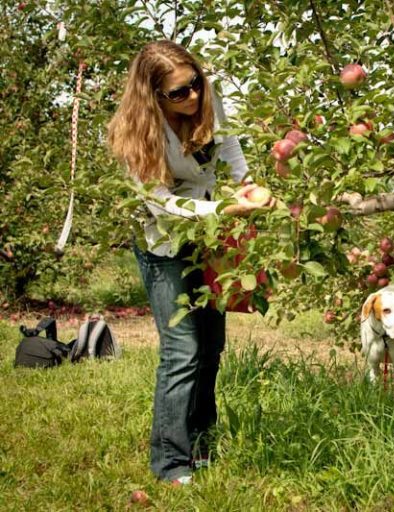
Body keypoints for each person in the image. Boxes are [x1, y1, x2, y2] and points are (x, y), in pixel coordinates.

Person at [107, 40, 259, 485]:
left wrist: (248, 191)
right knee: (182, 352)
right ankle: (169, 463)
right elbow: (163, 206)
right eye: (179, 93)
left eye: (195, 84)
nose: (193, 96)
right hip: (164, 244)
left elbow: (231, 156)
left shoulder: (209, 103)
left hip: (209, 237)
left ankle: (200, 442)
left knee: (211, 347)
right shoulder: (135, 136)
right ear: (153, 97)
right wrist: (224, 212)